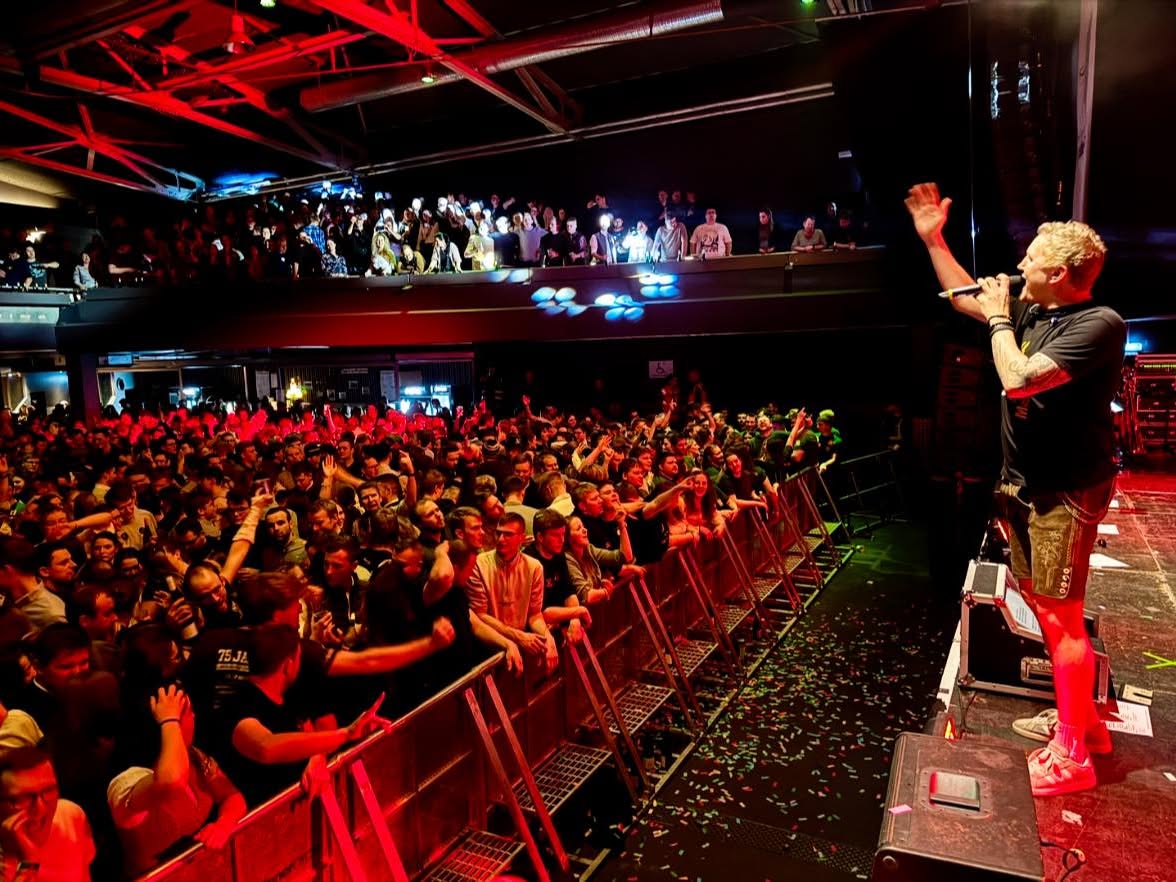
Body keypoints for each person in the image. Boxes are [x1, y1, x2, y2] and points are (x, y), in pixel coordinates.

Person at [906, 181, 1125, 797]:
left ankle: (1074, 756)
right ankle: (1081, 721)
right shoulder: (1036, 307)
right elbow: (962, 297)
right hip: (1028, 485)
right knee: (1045, 607)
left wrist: (1001, 315)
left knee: (1061, 618)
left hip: (1065, 490)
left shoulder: (1097, 323)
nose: (1018, 263)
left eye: (1030, 258)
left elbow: (1021, 379)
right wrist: (934, 240)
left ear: (1058, 272)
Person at [0, 747, 95, 881]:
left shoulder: (70, 815)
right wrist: (25, 863)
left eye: (49, 791)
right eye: (23, 798)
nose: (41, 809)